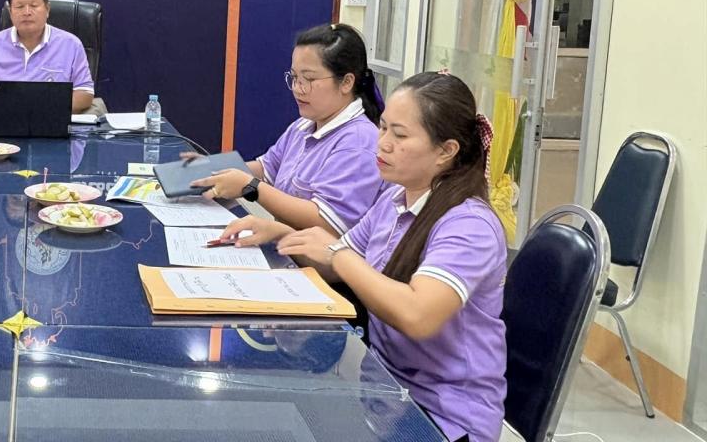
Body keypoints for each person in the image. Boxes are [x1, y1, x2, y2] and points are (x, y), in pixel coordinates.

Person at [216, 72, 507, 442]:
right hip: (384, 393)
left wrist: (336, 253)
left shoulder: (469, 224)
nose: (382, 144)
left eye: (399, 135)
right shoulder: (395, 199)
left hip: (442, 418)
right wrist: (283, 236)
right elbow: (337, 264)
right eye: (383, 128)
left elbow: (417, 315)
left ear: (446, 150)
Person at [192, 24, 382, 238]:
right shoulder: (304, 125)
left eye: (309, 79)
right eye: (294, 78)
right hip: (286, 244)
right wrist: (208, 169)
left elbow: (328, 222)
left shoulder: (359, 142)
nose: (297, 89)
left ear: (346, 82)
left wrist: (250, 187)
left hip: (316, 256)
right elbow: (267, 167)